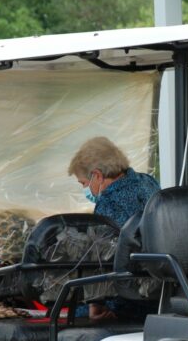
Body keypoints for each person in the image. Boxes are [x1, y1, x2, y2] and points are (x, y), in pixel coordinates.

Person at [68, 137, 160, 321]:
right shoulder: (148, 182)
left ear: (98, 175)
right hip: (161, 290)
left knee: (70, 310)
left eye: (84, 183)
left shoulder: (108, 203)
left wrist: (95, 305)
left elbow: (100, 259)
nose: (86, 189)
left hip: (127, 299)